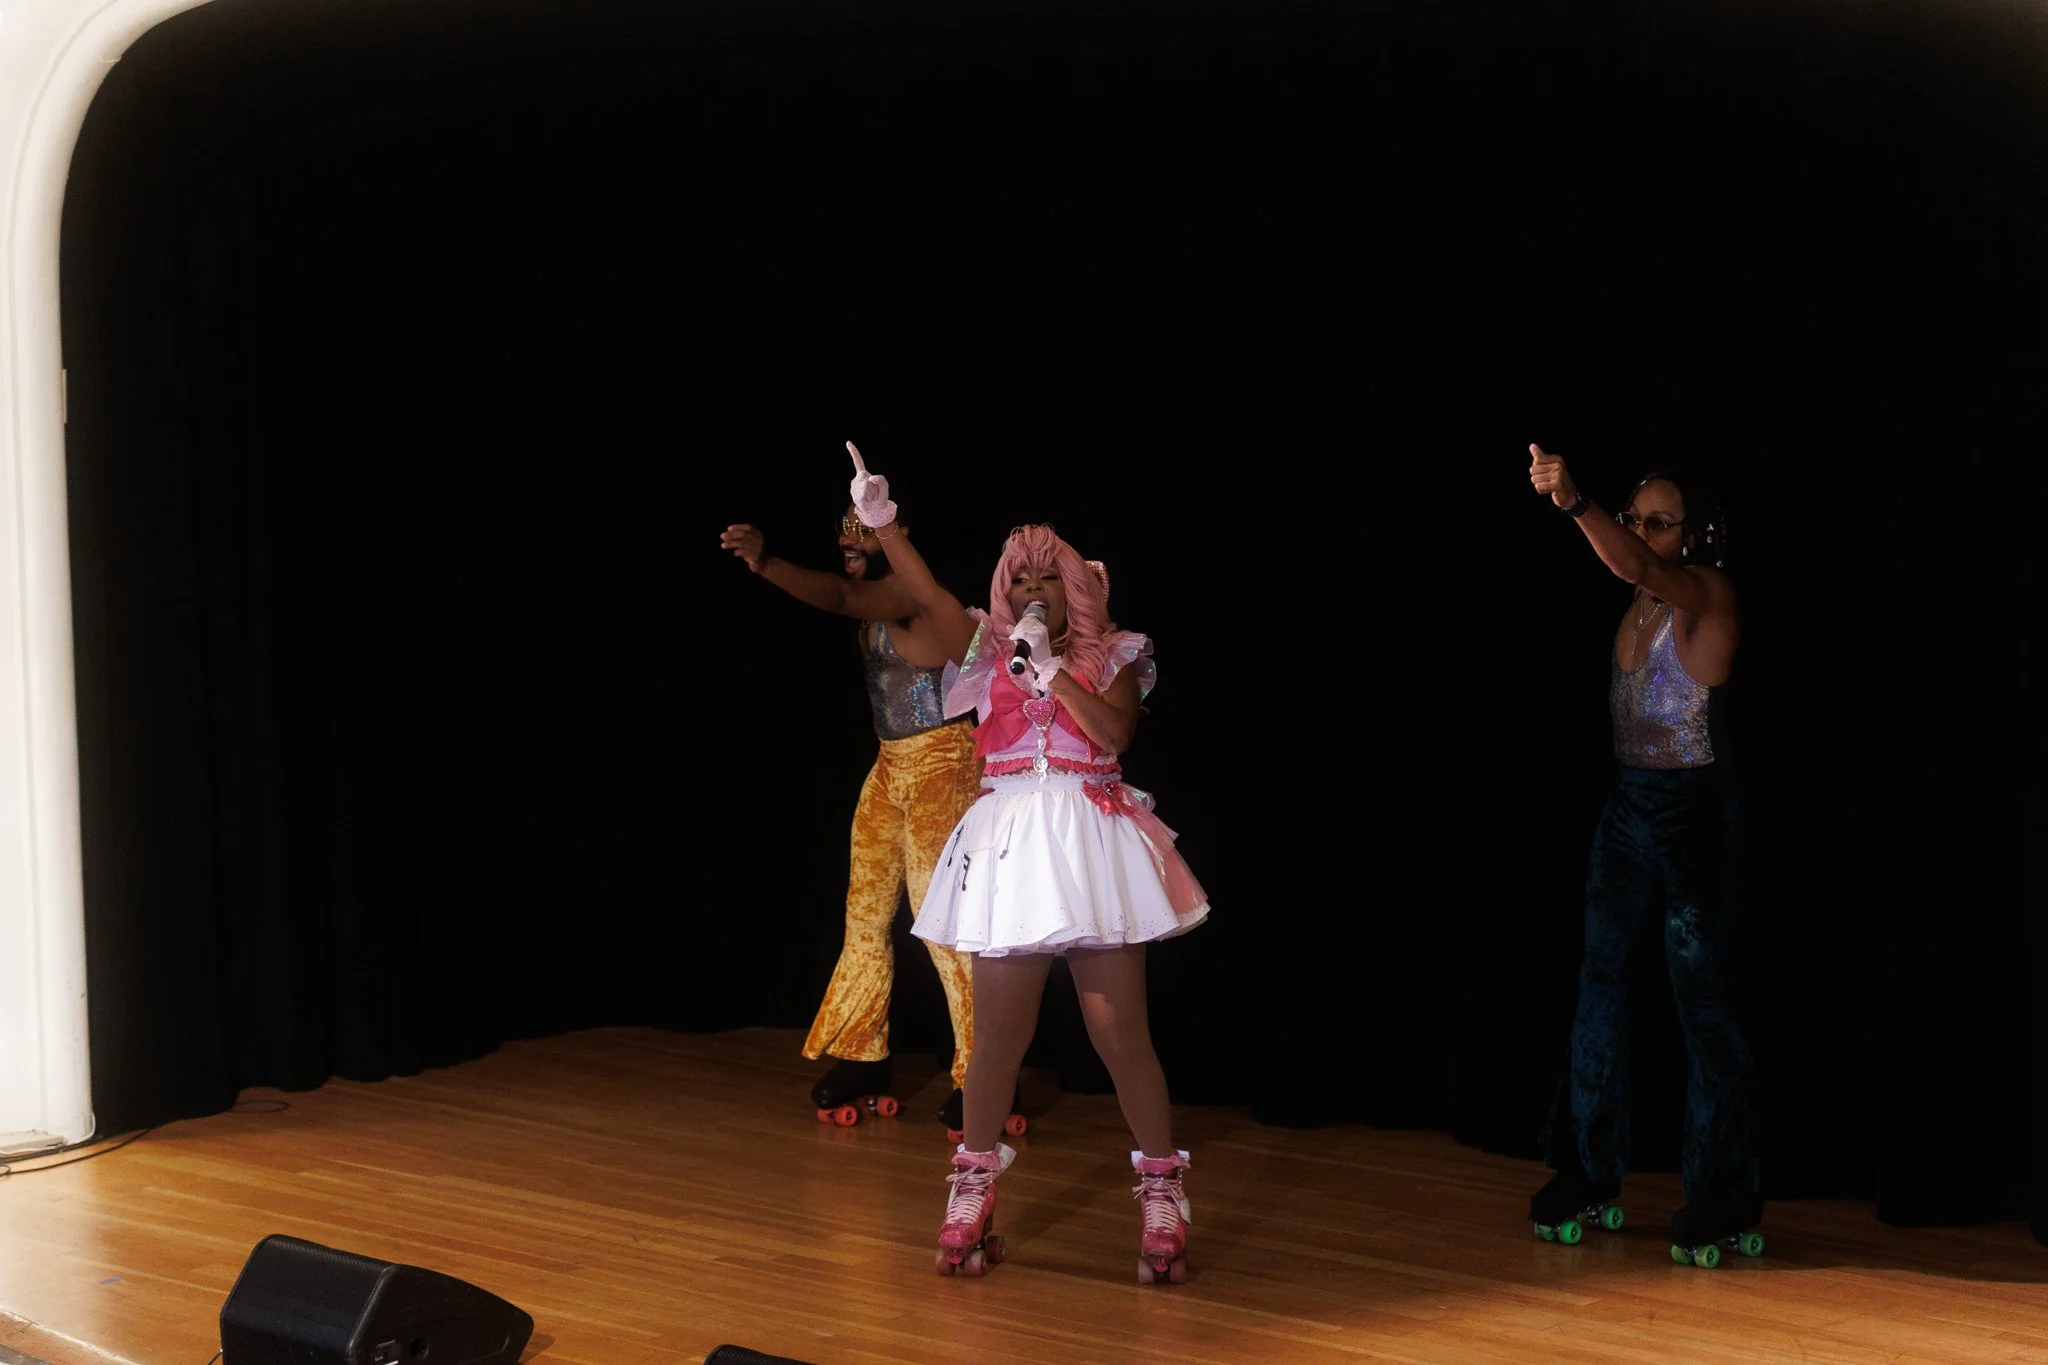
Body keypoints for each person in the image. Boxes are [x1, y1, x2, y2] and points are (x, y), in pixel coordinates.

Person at [838, 441, 1211, 1284]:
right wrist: (885, 525)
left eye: (1046, 579)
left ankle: (1163, 1190)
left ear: (1073, 586)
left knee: (1118, 1034)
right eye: (1019, 580)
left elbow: (1115, 735)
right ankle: (970, 1190)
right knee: (997, 1040)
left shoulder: (1115, 653)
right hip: (1009, 845)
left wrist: (1055, 675)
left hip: (1088, 841)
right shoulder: (979, 652)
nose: (1030, 592)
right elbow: (927, 594)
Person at [1524, 442, 1762, 1267]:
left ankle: (1724, 1186)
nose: (1643, 535)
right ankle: (1588, 1169)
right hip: (1631, 805)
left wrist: (1573, 502)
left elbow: (1638, 565)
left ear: (1693, 536)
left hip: (1696, 811)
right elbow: (1627, 566)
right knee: (1600, 981)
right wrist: (1598, 520)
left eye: (1660, 523)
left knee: (1700, 996)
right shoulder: (1636, 608)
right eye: (1637, 520)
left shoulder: (1705, 592)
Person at [718, 492, 984, 1131]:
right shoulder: (874, 603)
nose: (847, 539)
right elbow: (845, 597)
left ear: (900, 534)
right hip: (890, 764)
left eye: (862, 528)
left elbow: (839, 597)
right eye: (843, 528)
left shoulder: (911, 597)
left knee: (942, 925)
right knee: (864, 915)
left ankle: (983, 1073)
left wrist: (766, 565)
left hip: (944, 766)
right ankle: (863, 1054)